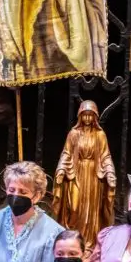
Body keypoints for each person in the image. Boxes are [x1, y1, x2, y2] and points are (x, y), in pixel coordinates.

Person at [53, 100, 117, 247]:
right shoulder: (73, 133)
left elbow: (105, 156)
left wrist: (110, 173)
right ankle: (72, 241)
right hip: (76, 173)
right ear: (80, 116)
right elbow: (66, 153)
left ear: (95, 117)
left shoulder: (100, 135)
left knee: (90, 210)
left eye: (90, 115)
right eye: (84, 115)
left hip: (94, 176)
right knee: (74, 208)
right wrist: (62, 169)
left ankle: (88, 243)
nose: (87, 119)